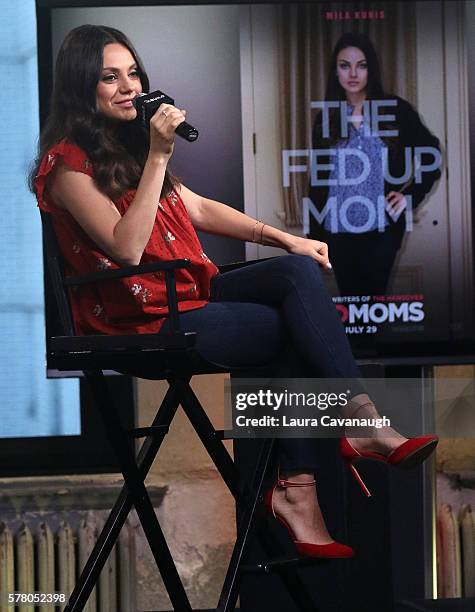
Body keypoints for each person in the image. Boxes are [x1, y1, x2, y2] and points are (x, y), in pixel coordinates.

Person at [30, 25, 438, 559]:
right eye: (110, 77)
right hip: (141, 317)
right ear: (82, 87)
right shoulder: (65, 164)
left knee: (296, 273)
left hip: (184, 290)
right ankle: (307, 478)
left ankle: (346, 432)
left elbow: (194, 207)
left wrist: (289, 238)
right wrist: (157, 155)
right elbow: (127, 249)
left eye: (134, 73)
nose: (128, 87)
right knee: (294, 329)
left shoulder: (122, 145)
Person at [308, 32, 441, 297]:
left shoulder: (395, 110)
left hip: (382, 231)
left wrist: (409, 196)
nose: (353, 73)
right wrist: (313, 238)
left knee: (373, 306)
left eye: (362, 65)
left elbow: (431, 154)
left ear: (372, 69)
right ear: (336, 71)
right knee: (351, 307)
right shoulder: (328, 117)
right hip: (337, 231)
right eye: (345, 65)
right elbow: (318, 179)